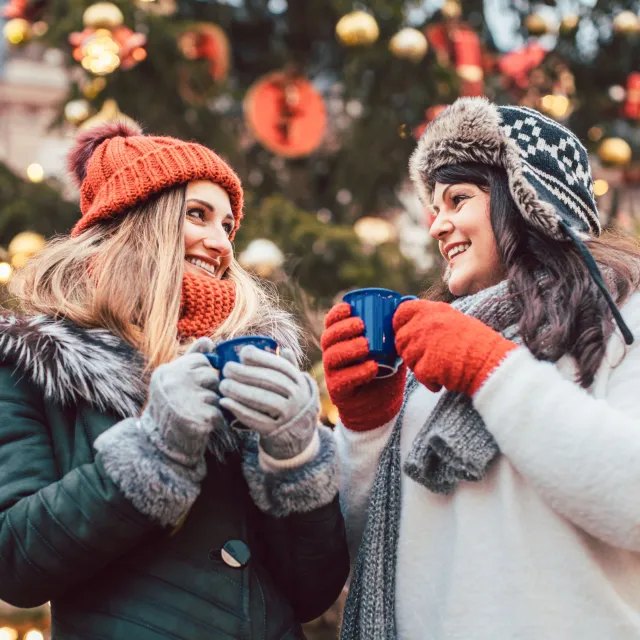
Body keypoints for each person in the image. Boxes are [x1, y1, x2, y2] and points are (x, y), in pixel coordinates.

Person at [0, 121, 349, 640]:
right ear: (137, 222)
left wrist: (295, 457)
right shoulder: (38, 362)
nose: (220, 243)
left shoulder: (261, 365)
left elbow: (311, 591)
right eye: (197, 215)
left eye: (227, 225)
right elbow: (14, 565)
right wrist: (152, 450)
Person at [322, 97, 640, 640]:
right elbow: (373, 548)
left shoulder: (622, 315)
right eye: (434, 208)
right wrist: (368, 427)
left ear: (526, 201)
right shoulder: (433, 354)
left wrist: (492, 370)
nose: (437, 226)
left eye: (458, 199)